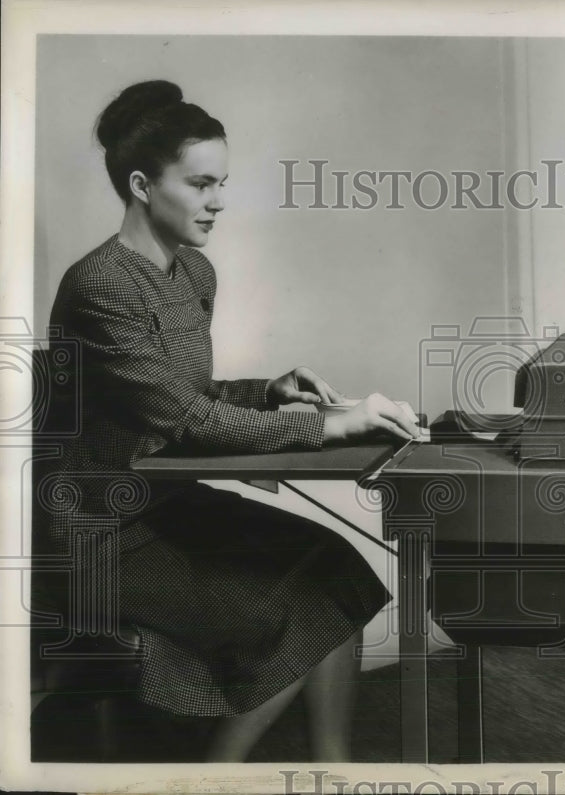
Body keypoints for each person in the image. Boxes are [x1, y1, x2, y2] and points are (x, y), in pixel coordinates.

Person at [45, 79, 420, 762]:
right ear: (140, 184)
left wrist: (270, 390)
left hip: (165, 504)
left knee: (337, 566)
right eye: (200, 183)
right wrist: (333, 425)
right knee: (291, 608)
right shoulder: (99, 284)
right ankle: (221, 773)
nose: (219, 201)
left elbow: (181, 393)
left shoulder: (194, 273)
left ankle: (331, 765)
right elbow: (186, 418)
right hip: (105, 531)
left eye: (223, 182)